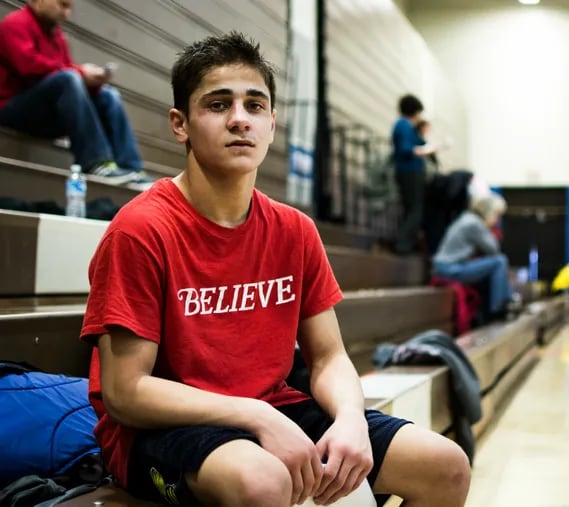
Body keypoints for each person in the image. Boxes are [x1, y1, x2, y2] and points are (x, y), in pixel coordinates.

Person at [80, 32, 470, 507]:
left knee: (446, 467)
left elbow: (328, 358)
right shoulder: (140, 229)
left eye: (255, 105)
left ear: (271, 122)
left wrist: (350, 418)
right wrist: (256, 417)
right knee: (264, 482)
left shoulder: (294, 230)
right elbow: (126, 392)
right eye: (218, 105)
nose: (240, 119)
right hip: (164, 429)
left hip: (273, 408)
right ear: (180, 124)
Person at [0, 0, 152, 188]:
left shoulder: (57, 37)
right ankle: (96, 163)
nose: (67, 13)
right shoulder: (15, 24)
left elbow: (66, 75)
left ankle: (131, 168)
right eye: (62, 5)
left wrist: (92, 82)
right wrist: (80, 73)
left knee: (108, 96)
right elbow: (28, 67)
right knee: (69, 78)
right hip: (12, 108)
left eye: (69, 8)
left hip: (46, 116)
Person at [432, 193, 511, 322]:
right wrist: (491, 227)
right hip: (450, 269)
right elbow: (493, 249)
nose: (497, 220)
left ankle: (505, 303)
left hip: (448, 267)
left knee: (495, 267)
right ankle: (498, 309)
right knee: (500, 261)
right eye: (497, 215)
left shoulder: (467, 218)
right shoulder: (474, 224)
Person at [391, 94, 439, 255]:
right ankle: (403, 245)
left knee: (411, 209)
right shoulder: (404, 125)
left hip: (409, 171)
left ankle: (405, 244)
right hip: (409, 171)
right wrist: (424, 150)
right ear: (416, 111)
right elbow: (406, 149)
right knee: (414, 210)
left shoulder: (406, 126)